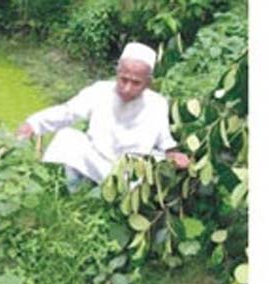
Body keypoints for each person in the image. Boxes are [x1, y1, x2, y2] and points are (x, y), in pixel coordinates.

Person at [16, 42, 190, 192]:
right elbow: (68, 112)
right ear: (117, 73)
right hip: (97, 158)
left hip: (130, 172)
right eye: (124, 79)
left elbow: (165, 142)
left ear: (148, 82)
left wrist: (174, 156)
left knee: (153, 166)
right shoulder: (100, 90)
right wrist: (33, 124)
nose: (127, 88)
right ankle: (72, 194)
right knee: (67, 137)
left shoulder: (157, 103)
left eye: (136, 83)